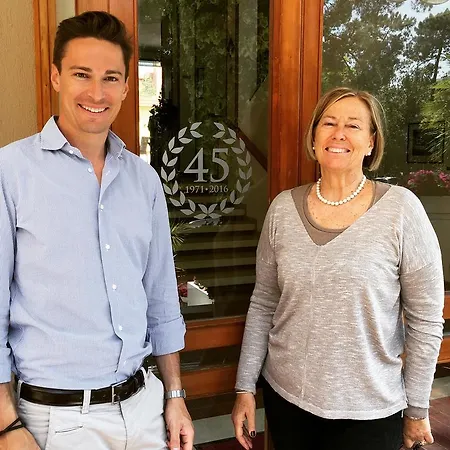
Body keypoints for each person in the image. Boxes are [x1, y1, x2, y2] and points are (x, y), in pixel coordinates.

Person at [0, 11, 193, 450]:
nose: (96, 92)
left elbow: (161, 298)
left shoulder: (144, 181)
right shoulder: (11, 172)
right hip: (56, 423)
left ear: (126, 87)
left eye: (110, 78)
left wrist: (175, 396)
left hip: (144, 411)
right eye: (81, 74)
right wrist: (6, 425)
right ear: (56, 76)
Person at [231, 87, 445, 450]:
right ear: (314, 137)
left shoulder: (401, 210)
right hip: (287, 401)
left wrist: (417, 408)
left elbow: (425, 319)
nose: (339, 134)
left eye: (353, 125)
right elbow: (264, 302)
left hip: (370, 411)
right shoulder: (283, 209)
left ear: (371, 142)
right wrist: (245, 387)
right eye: (328, 123)